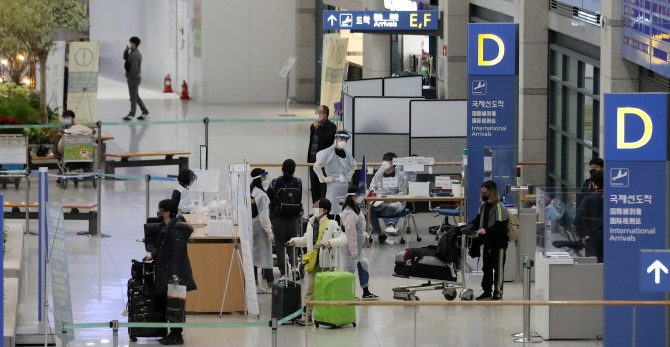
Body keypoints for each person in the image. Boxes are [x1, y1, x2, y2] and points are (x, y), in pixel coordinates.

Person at [286, 198, 347, 326]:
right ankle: (307, 317)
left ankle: (328, 317)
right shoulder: (310, 223)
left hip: (326, 264)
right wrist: (295, 241)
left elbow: (343, 238)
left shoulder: (332, 224)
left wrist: (331, 243)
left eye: (317, 207)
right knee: (310, 290)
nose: (314, 209)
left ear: (325, 210)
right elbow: (306, 240)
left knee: (327, 291)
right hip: (313, 263)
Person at [144, 199, 196, 345]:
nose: (158, 213)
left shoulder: (176, 230)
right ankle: (172, 333)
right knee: (169, 302)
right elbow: (164, 249)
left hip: (174, 273)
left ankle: (176, 335)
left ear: (167, 212)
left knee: (175, 304)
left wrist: (174, 273)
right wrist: (153, 256)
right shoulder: (167, 227)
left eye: (160, 210)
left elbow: (177, 254)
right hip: (166, 270)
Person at [469, 181, 509, 301]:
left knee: (498, 269)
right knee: (486, 268)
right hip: (487, 242)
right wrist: (465, 226)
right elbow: (477, 220)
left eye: (485, 192)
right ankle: (487, 291)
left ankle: (498, 292)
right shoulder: (483, 206)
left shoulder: (499, 206)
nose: (483, 195)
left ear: (491, 193)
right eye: (482, 192)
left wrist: (486, 230)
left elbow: (501, 225)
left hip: (499, 243)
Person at [340, 185, 380, 301]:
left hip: (358, 245)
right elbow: (350, 233)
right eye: (359, 195)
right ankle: (347, 293)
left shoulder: (355, 208)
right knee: (349, 269)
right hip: (350, 245)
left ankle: (366, 292)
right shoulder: (348, 212)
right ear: (353, 197)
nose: (361, 197)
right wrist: (353, 251)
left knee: (363, 264)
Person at [267, 159, 303, 279]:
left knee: (279, 244)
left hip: (279, 218)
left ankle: (283, 271)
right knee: (293, 244)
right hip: (294, 218)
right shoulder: (298, 182)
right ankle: (294, 269)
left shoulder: (275, 182)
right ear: (294, 170)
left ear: (282, 168)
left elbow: (268, 198)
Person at [313, 130, 356, 215]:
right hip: (332, 184)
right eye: (341, 138)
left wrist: (348, 176)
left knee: (343, 210)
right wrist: (324, 178)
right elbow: (316, 166)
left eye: (345, 139)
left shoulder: (347, 153)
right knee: (331, 209)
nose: (343, 141)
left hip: (344, 185)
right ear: (336, 138)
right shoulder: (328, 152)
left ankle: (340, 227)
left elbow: (353, 166)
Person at [368, 152, 408, 244]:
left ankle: (389, 225)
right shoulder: (379, 173)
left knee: (391, 207)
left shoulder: (400, 175)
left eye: (388, 161)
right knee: (370, 210)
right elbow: (373, 185)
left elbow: (403, 192)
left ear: (394, 163)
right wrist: (373, 193)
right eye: (384, 160)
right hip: (381, 201)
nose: (385, 162)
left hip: (396, 202)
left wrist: (393, 198)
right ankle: (380, 234)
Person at [250, 168, 275, 293]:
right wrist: (269, 230)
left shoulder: (251, 191)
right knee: (266, 256)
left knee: (253, 256)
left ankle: (255, 284)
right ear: (260, 179)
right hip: (260, 227)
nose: (266, 180)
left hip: (251, 226)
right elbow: (264, 215)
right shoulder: (262, 195)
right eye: (264, 178)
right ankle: (271, 285)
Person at [307, 105, 337, 203]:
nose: (317, 115)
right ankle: (316, 211)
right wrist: (315, 127)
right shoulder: (314, 126)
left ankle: (323, 210)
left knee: (323, 186)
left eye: (319, 113)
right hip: (312, 158)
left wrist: (316, 127)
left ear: (326, 115)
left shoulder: (332, 127)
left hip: (324, 161)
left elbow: (324, 139)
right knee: (314, 185)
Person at [574, 171, 604, 263]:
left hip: (592, 236)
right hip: (610, 236)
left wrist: (583, 234)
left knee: (592, 263)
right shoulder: (614, 199)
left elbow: (578, 218)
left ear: (593, 184)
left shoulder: (588, 199)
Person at [122, 36, 150, 121]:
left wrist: (129, 76)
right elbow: (125, 58)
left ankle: (132, 114)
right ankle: (145, 112)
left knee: (133, 97)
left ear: (133, 43)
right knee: (135, 96)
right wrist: (126, 50)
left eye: (130, 42)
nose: (129, 44)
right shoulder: (132, 52)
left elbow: (134, 68)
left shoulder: (135, 54)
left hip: (133, 78)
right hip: (132, 78)